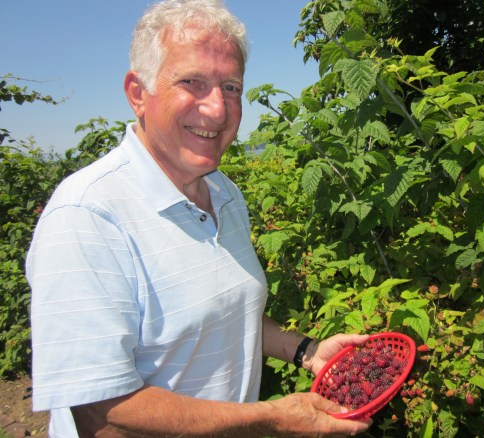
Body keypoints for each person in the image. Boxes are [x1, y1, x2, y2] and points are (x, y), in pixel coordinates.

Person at [26, 0, 372, 436]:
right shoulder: (88, 215)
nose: (218, 109)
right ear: (137, 93)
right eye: (192, 82)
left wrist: (307, 351)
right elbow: (102, 416)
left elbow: (225, 317)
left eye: (231, 87)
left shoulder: (225, 194)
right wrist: (271, 419)